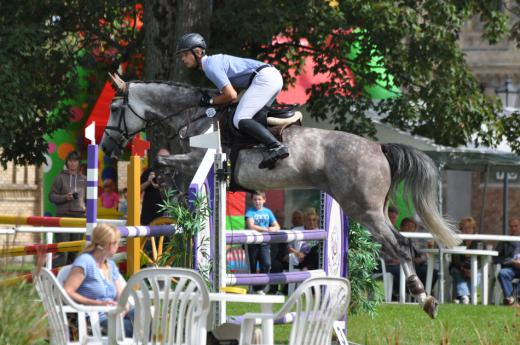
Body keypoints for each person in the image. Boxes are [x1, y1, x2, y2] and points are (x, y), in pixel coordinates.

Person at [176, 32, 289, 169]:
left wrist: (211, 102)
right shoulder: (212, 63)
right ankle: (264, 148)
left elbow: (231, 95)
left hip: (264, 78)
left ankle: (276, 146)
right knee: (250, 117)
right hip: (268, 77)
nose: (183, 59)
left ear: (198, 52)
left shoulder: (210, 66)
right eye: (182, 55)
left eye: (185, 54)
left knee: (240, 118)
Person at [64, 224, 133, 336]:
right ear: (108, 244)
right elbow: (67, 290)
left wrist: (123, 308)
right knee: (129, 327)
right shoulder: (85, 262)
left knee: (143, 316)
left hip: (114, 314)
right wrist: (97, 303)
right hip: (94, 320)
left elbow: (121, 295)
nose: (117, 246)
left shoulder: (110, 265)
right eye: (116, 243)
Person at [49, 150, 87, 266]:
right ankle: (57, 280)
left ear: (78, 163)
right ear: (67, 162)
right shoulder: (60, 178)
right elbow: (51, 196)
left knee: (75, 252)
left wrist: (87, 211)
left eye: (75, 161)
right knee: (63, 251)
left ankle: (71, 281)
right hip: (63, 217)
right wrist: (65, 197)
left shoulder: (84, 179)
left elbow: (90, 199)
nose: (72, 163)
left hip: (79, 218)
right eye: (70, 161)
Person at [245, 191, 280, 294]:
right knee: (252, 266)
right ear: (252, 201)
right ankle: (252, 287)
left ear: (264, 200)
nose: (257, 201)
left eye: (259, 199)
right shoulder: (250, 212)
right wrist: (266, 229)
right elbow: (251, 226)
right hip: (252, 244)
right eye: (255, 199)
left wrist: (274, 228)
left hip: (264, 244)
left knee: (267, 264)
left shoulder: (268, 212)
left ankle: (259, 287)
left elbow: (277, 226)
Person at [449, 216, 482, 304]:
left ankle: (464, 297)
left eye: (470, 228)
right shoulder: (457, 242)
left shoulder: (479, 242)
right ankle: (466, 296)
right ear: (461, 230)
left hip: (475, 268)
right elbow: (455, 259)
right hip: (459, 268)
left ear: (473, 229)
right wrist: (463, 269)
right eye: (465, 228)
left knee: (477, 274)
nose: (467, 230)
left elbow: (481, 259)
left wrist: (471, 270)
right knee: (456, 272)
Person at [140, 148, 170, 225]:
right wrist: (148, 182)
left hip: (166, 216)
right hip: (148, 215)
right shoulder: (149, 172)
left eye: (165, 158)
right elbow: (137, 190)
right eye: (160, 157)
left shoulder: (172, 173)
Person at [495, 217, 520, 306]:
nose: (513, 229)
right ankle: (511, 300)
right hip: (510, 268)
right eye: (511, 226)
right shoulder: (505, 241)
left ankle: (518, 298)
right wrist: (513, 262)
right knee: (502, 273)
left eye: (516, 226)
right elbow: (496, 258)